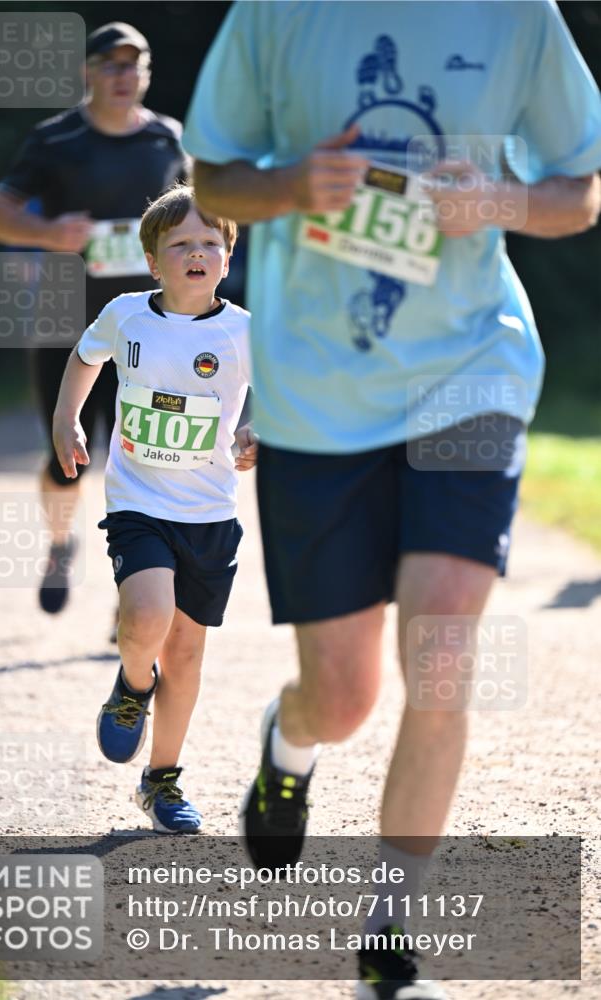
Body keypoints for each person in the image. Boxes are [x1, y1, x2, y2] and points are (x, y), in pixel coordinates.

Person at [182, 1, 601, 995]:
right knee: (345, 694)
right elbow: (211, 172)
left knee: (444, 647)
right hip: (316, 392)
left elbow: (579, 187)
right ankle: (289, 742)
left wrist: (498, 200)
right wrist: (291, 183)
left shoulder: (517, 18)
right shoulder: (277, 15)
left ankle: (388, 931)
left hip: (471, 368)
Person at [52, 184, 255, 832]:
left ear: (227, 254)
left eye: (209, 243)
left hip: (209, 510)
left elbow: (275, 395)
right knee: (146, 616)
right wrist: (67, 419)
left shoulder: (244, 331)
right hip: (138, 500)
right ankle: (134, 684)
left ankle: (160, 780)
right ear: (152, 260)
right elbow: (85, 358)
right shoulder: (125, 315)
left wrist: (257, 431)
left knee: (187, 653)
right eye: (180, 245)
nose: (196, 254)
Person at [0, 22, 187, 624]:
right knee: (65, 455)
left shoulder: (168, 139)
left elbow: (196, 213)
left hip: (149, 324)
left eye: (135, 64)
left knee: (145, 456)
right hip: (65, 319)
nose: (124, 76)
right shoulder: (56, 139)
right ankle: (60, 544)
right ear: (88, 72)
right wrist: (47, 233)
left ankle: (136, 595)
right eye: (112, 64)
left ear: (146, 73)